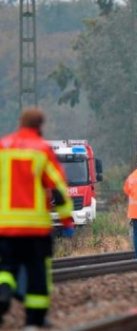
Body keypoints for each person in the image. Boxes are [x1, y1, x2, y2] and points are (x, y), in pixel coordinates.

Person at [0, 108, 74, 327]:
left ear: (20, 122)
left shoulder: (3, 147)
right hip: (35, 228)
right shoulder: (42, 150)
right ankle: (34, 320)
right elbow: (58, 189)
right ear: (40, 126)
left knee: (6, 268)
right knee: (37, 273)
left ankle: (3, 293)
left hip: (5, 226)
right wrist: (67, 220)